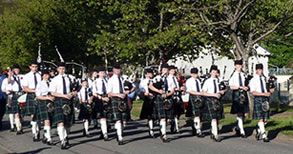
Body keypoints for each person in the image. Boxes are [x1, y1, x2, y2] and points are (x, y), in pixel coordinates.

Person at [49, 62, 75, 149]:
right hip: (59, 100)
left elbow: (75, 89)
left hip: (68, 100)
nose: (62, 70)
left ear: (65, 69)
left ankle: (66, 137)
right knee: (60, 122)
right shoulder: (55, 79)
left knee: (68, 123)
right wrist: (64, 95)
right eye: (60, 69)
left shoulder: (69, 78)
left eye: (63, 69)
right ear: (57, 69)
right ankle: (62, 141)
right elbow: (52, 92)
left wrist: (72, 93)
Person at [149, 64, 175, 143]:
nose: (165, 71)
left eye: (166, 69)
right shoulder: (157, 78)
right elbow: (150, 86)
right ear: (161, 70)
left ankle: (162, 130)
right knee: (162, 117)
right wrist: (158, 91)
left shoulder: (170, 79)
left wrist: (167, 94)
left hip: (168, 98)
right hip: (159, 98)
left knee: (168, 119)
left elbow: (173, 90)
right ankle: (164, 135)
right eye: (164, 69)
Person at [249, 63, 275, 142]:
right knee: (260, 118)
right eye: (259, 70)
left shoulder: (264, 79)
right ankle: (264, 135)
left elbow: (269, 89)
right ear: (256, 70)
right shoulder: (253, 80)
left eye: (261, 69)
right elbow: (253, 92)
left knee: (265, 119)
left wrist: (271, 91)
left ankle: (259, 129)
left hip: (265, 99)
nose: (260, 71)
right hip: (258, 99)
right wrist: (264, 94)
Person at [107, 63, 130, 145]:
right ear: (113, 70)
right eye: (116, 69)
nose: (118, 71)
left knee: (124, 122)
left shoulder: (123, 78)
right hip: (115, 99)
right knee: (118, 120)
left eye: (119, 69)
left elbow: (131, 86)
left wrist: (128, 91)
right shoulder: (111, 80)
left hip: (123, 100)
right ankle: (120, 137)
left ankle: (118, 132)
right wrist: (118, 94)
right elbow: (109, 93)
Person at [202, 65, 225, 142]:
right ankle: (215, 135)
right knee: (214, 118)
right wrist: (213, 94)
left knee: (217, 118)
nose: (214, 73)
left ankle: (213, 131)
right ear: (210, 72)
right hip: (210, 99)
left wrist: (222, 91)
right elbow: (204, 93)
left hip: (218, 99)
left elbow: (224, 88)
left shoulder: (219, 80)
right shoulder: (207, 81)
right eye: (213, 72)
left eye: (215, 71)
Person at [229, 60, 249, 138]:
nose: (239, 68)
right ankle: (242, 131)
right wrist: (240, 87)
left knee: (244, 113)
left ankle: (238, 127)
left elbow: (248, 83)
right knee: (240, 112)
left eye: (240, 66)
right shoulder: (233, 75)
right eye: (237, 66)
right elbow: (231, 86)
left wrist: (247, 87)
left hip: (244, 93)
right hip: (237, 93)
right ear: (235, 66)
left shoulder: (244, 74)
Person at [22, 61, 42, 141]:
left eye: (36, 67)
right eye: (33, 66)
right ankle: (35, 132)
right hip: (31, 95)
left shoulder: (40, 75)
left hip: (40, 95)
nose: (34, 68)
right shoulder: (26, 76)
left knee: (40, 114)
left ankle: (38, 128)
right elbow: (25, 88)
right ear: (30, 67)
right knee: (33, 114)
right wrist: (35, 91)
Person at [35, 70, 55, 145]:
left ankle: (45, 135)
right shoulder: (39, 84)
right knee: (47, 121)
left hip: (52, 102)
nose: (47, 76)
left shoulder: (52, 82)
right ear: (42, 76)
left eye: (47, 75)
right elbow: (38, 96)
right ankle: (49, 139)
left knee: (51, 121)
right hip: (43, 102)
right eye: (45, 75)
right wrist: (47, 98)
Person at [92, 67, 111, 141]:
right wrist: (102, 98)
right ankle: (105, 134)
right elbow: (94, 93)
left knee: (108, 117)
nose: (103, 74)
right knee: (102, 116)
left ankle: (103, 132)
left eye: (104, 72)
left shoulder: (108, 81)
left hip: (107, 98)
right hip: (99, 99)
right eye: (101, 72)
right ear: (98, 73)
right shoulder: (95, 82)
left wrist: (108, 97)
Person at [186, 67, 205, 138]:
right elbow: (189, 90)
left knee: (200, 114)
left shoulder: (198, 80)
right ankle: (198, 130)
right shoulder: (189, 81)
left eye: (196, 73)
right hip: (193, 97)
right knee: (196, 114)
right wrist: (198, 93)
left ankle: (195, 127)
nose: (195, 75)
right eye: (193, 74)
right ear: (191, 74)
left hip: (199, 97)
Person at [139, 68, 155, 138]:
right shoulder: (143, 82)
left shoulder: (155, 80)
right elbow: (142, 90)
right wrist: (146, 93)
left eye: (151, 73)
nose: (151, 74)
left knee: (156, 115)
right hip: (148, 98)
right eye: (149, 73)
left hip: (155, 98)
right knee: (150, 115)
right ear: (145, 74)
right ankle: (151, 130)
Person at [168, 66, 184, 134]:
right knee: (173, 111)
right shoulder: (168, 78)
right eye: (172, 71)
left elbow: (179, 85)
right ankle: (173, 125)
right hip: (171, 95)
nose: (173, 72)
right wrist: (175, 89)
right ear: (169, 71)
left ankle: (176, 124)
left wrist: (181, 88)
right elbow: (169, 87)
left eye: (174, 71)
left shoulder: (176, 77)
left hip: (178, 95)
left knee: (179, 111)